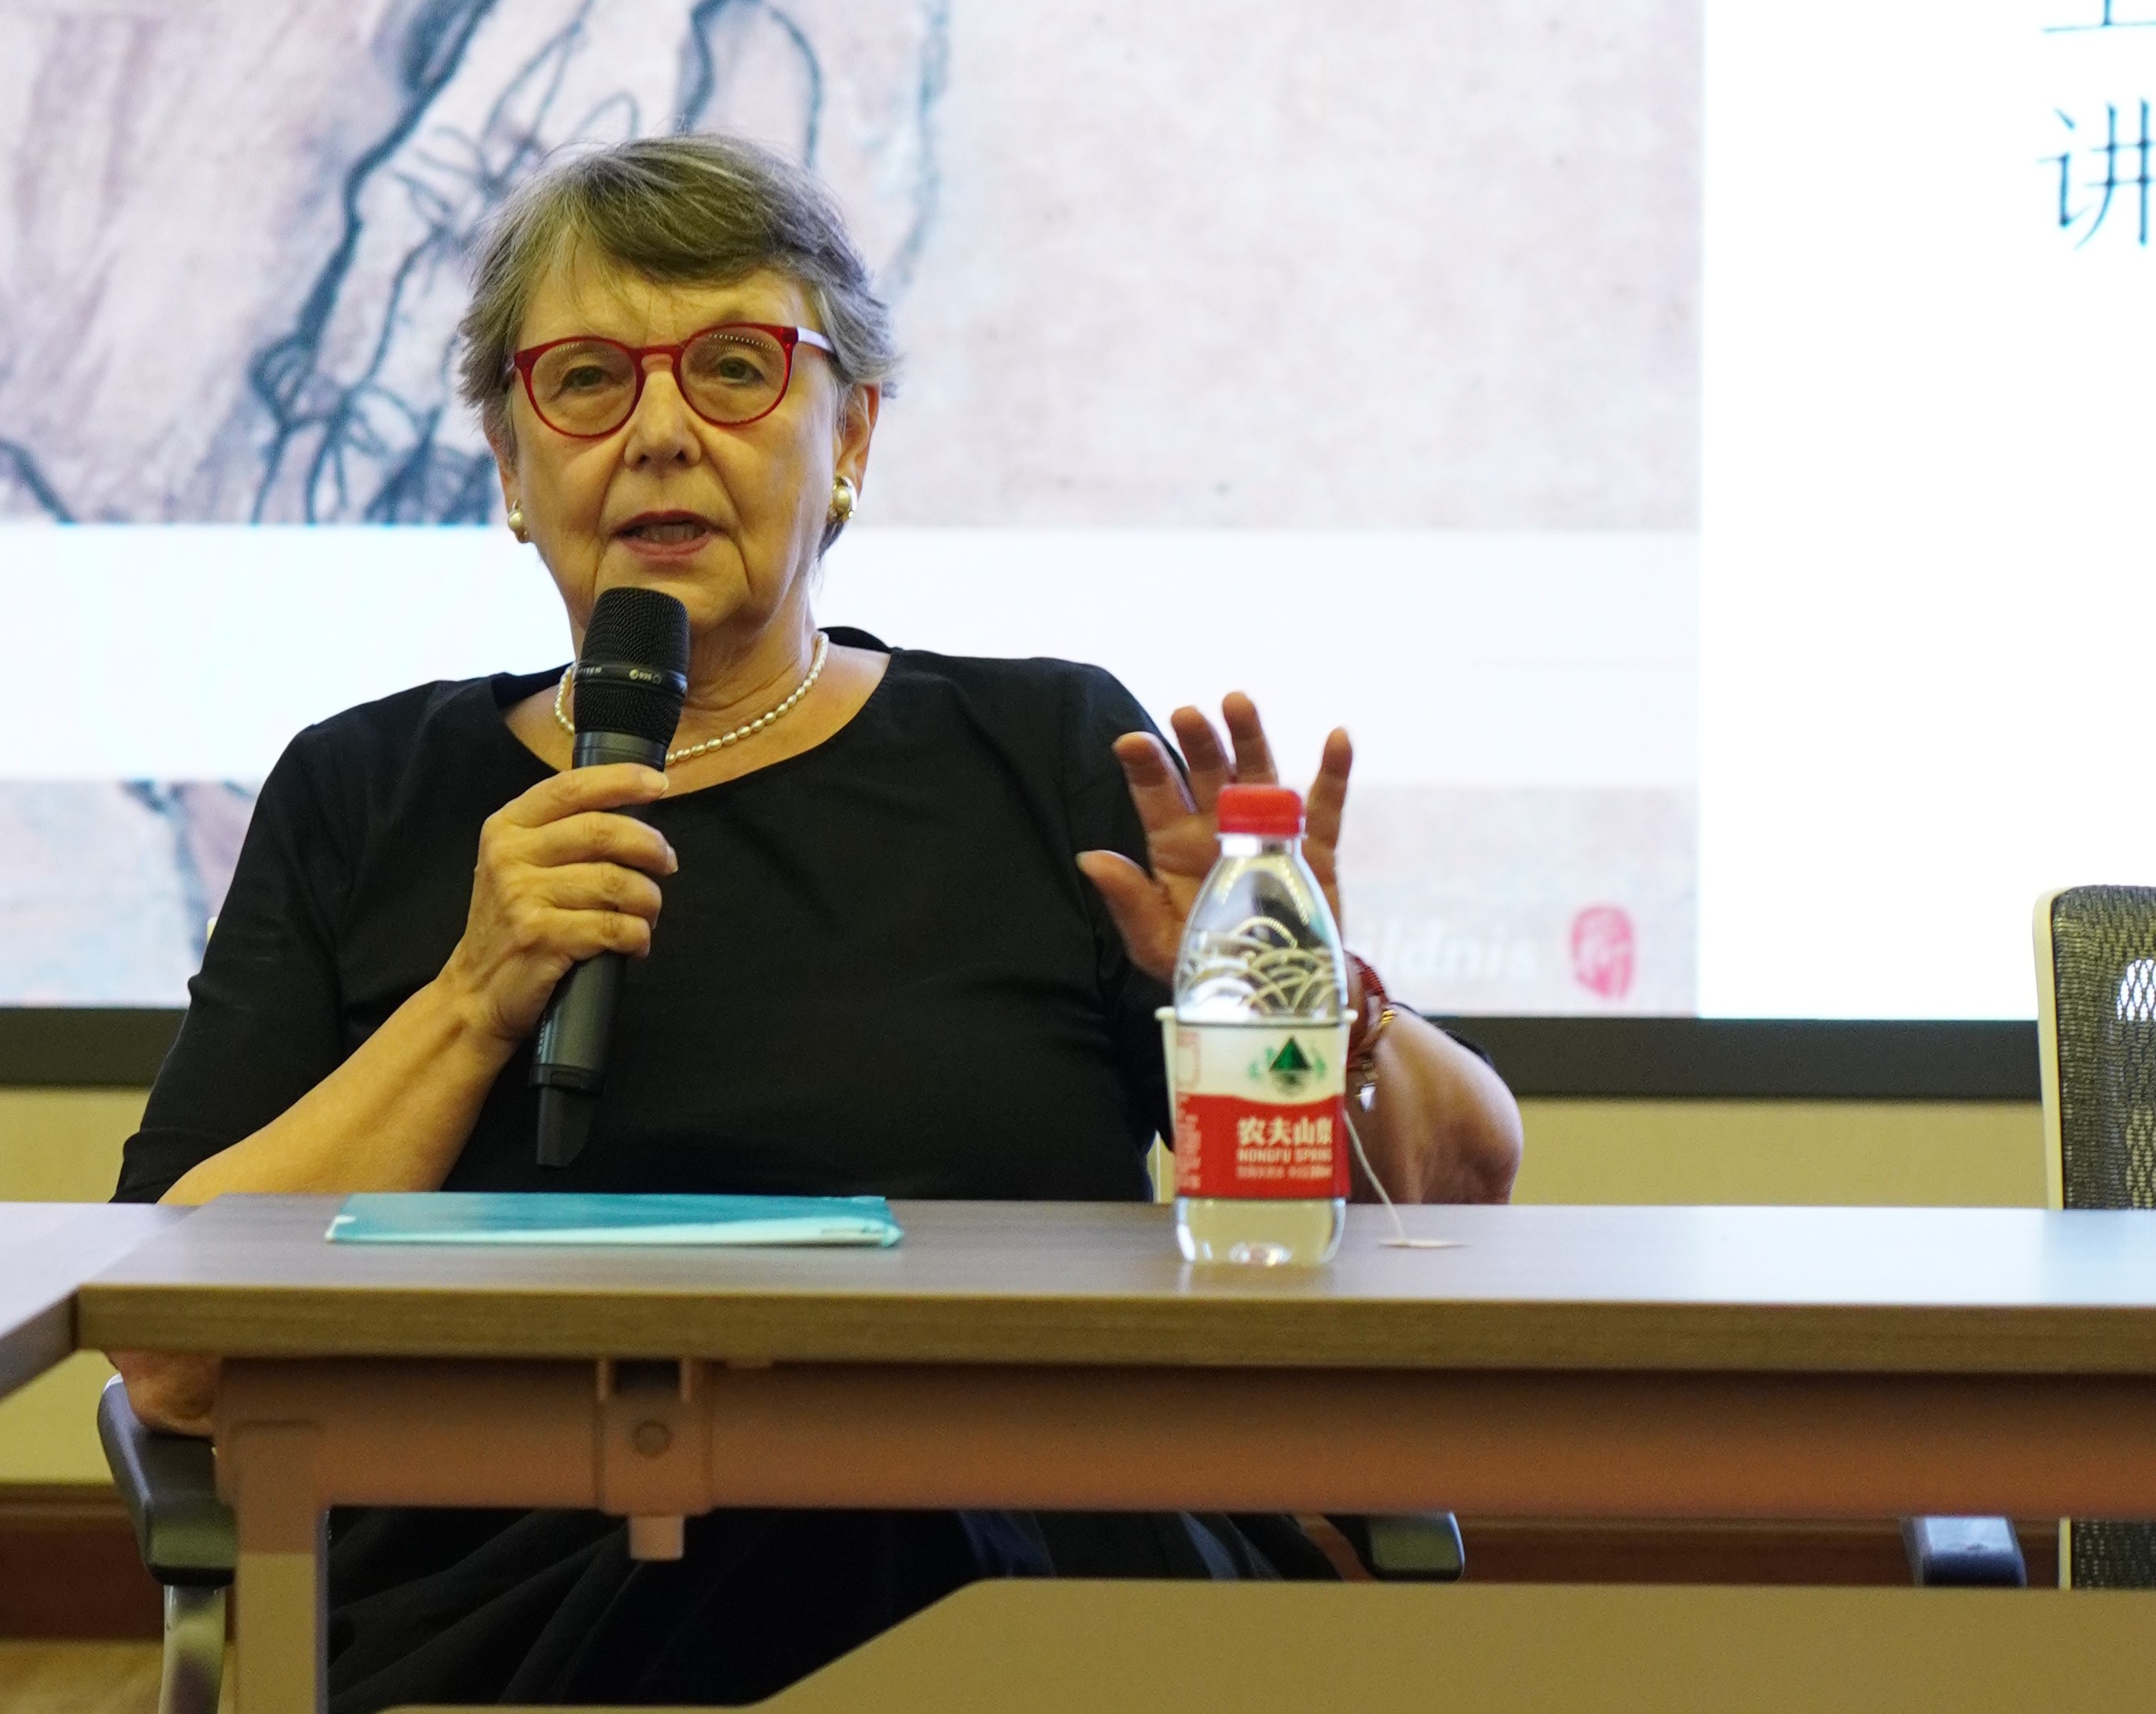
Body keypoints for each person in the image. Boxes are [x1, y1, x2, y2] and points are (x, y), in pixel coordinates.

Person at [111, 133, 1525, 1708]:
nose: (658, 434)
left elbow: (1462, 1189)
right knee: (808, 1521)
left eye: (735, 369)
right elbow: (176, 1353)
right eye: (586, 382)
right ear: (510, 467)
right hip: (537, 1601)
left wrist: (1314, 1004)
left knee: (876, 1516)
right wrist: (470, 996)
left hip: (1056, 1559)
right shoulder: (365, 791)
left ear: (850, 433)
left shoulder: (1052, 755)